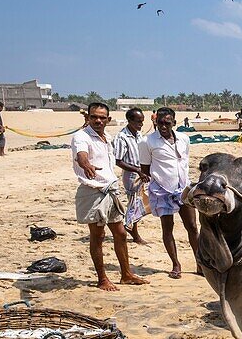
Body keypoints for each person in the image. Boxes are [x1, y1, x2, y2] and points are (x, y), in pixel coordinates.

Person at [70, 102, 149, 291]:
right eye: (94, 117)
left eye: (102, 117)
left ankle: (126, 274)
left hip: (110, 189)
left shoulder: (107, 137)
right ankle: (102, 279)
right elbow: (81, 155)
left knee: (120, 233)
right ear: (88, 118)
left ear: (108, 120)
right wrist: (85, 164)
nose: (98, 120)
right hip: (92, 191)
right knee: (97, 236)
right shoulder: (81, 136)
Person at [140, 106, 199, 279]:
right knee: (168, 228)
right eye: (160, 123)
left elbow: (184, 162)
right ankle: (176, 264)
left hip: (184, 189)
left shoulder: (184, 139)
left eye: (167, 123)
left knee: (193, 227)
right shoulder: (147, 142)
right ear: (155, 122)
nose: (163, 127)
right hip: (162, 190)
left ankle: (200, 263)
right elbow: (145, 168)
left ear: (174, 122)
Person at [112, 107, 149, 244]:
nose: (140, 124)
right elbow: (118, 161)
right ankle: (134, 233)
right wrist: (137, 170)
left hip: (142, 174)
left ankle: (131, 226)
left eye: (142, 121)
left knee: (140, 203)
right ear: (129, 121)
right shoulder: (122, 137)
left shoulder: (139, 135)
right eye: (138, 121)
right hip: (132, 176)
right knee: (133, 204)